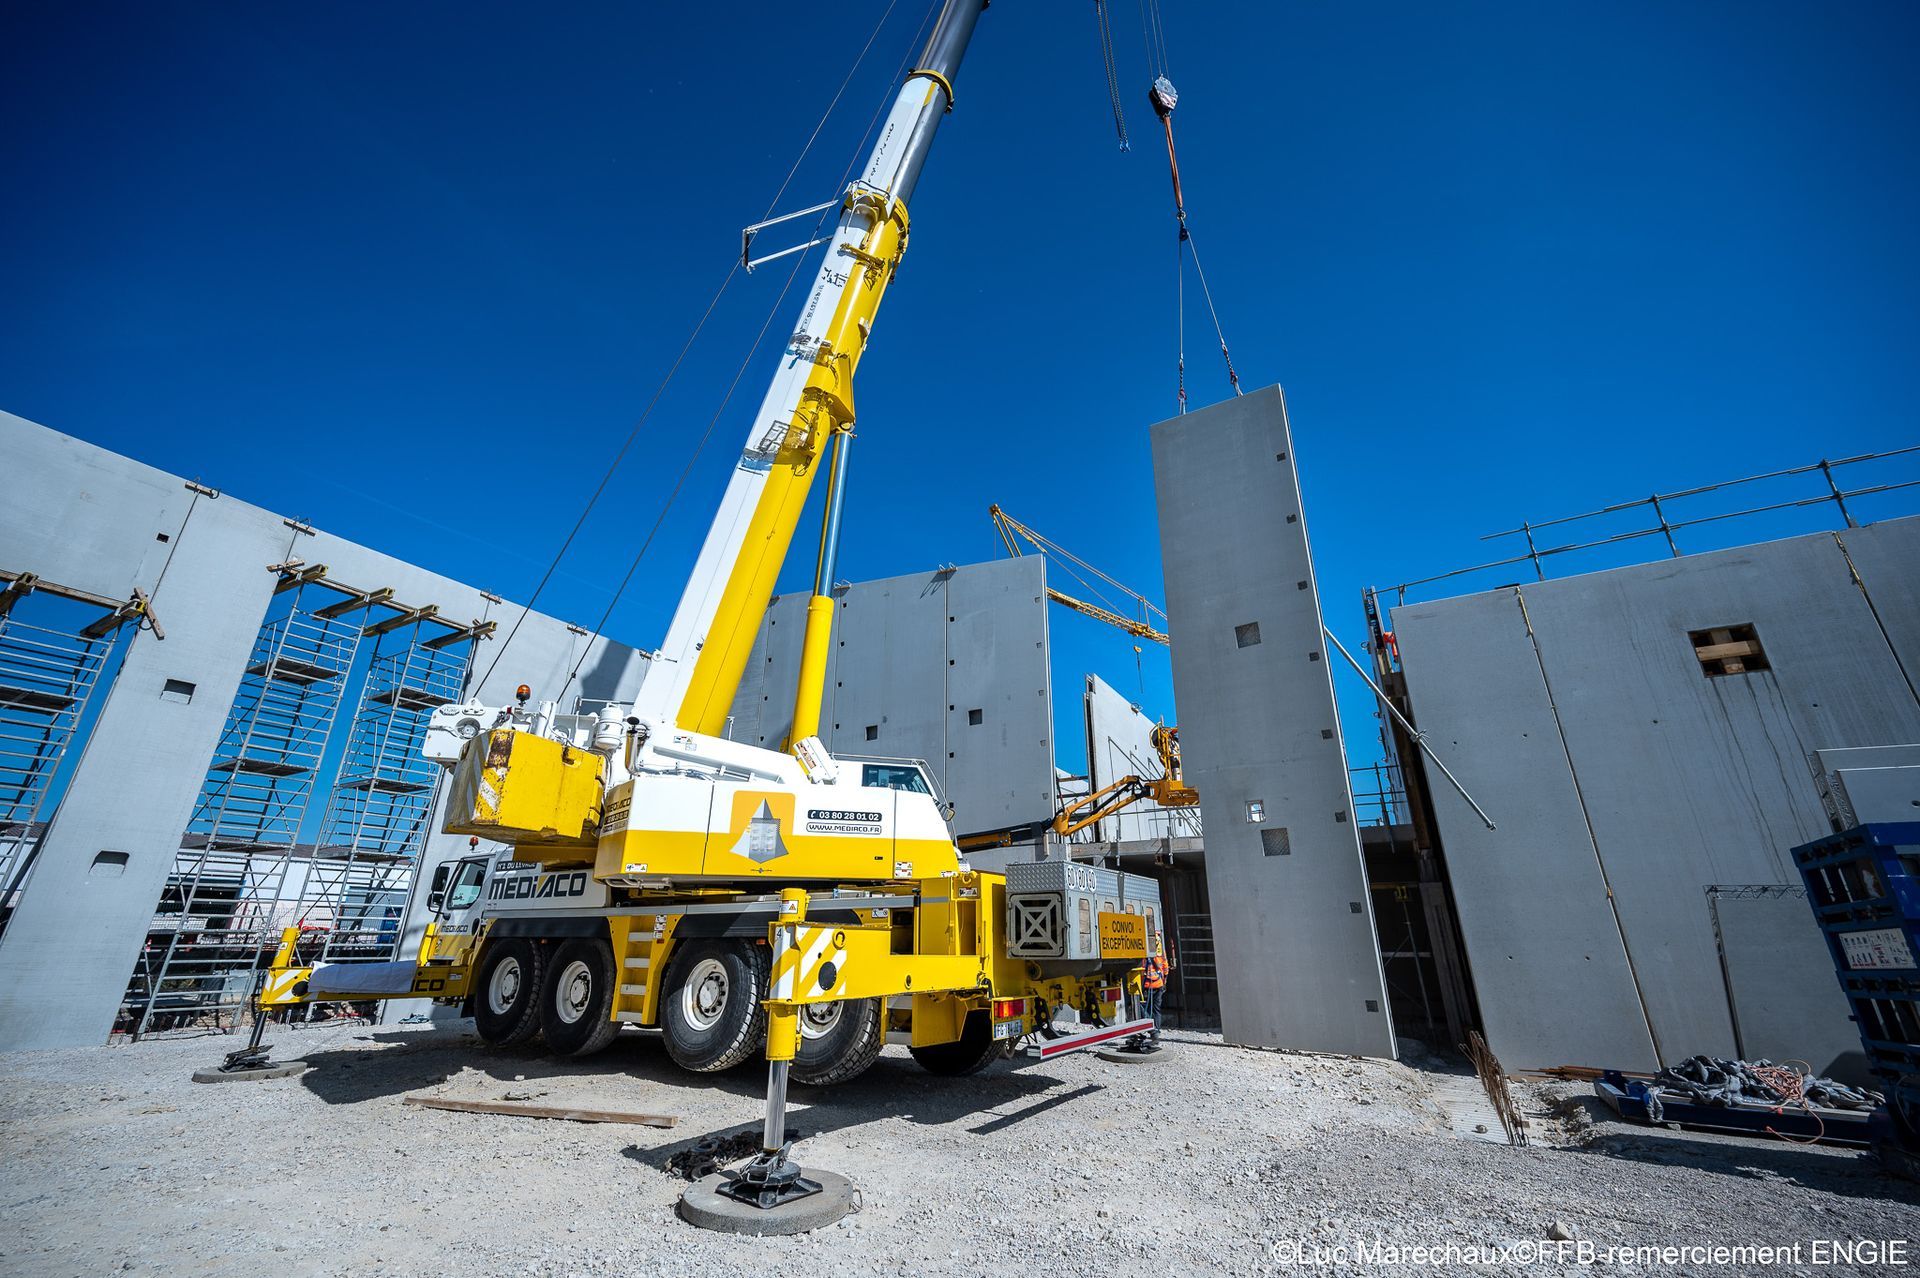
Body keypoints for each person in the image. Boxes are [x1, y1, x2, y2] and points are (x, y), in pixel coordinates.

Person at [1141, 930, 1169, 1044]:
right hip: (1159, 982)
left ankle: (1152, 1030)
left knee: (1143, 1007)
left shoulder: (1145, 943)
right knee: (1156, 1009)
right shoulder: (1160, 946)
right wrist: (1164, 979)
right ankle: (1156, 1030)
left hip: (1148, 983)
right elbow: (1165, 964)